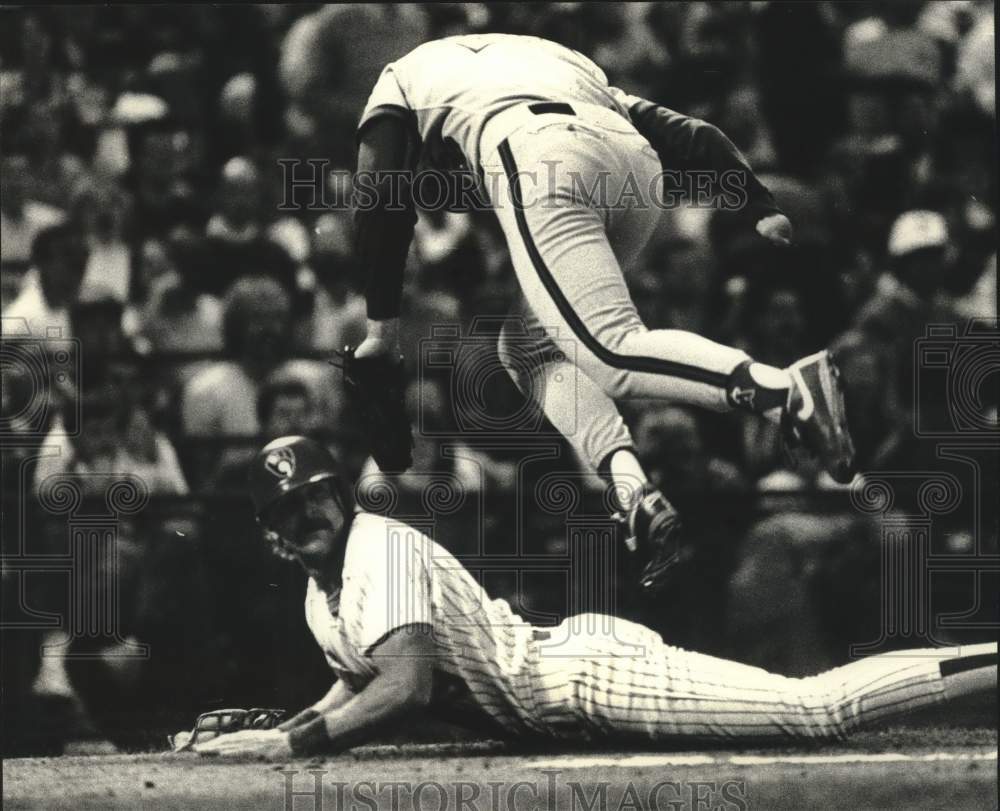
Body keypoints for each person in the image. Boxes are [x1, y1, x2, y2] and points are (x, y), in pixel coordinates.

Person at [281, 29, 856, 593]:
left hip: (537, 158)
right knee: (527, 348)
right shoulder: (551, 58)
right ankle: (630, 489)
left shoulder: (400, 79)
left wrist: (381, 327)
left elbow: (378, 195)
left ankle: (784, 390)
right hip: (634, 170)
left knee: (610, 350)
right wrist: (752, 197)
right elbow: (685, 130)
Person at [191, 436, 995, 759]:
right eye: (289, 510)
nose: (309, 514)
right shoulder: (316, 592)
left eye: (318, 497)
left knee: (814, 711)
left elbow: (405, 685)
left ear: (343, 498)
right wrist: (293, 721)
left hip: (583, 678)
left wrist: (292, 745)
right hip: (560, 684)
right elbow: (359, 673)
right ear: (272, 531)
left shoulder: (377, 542)